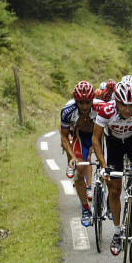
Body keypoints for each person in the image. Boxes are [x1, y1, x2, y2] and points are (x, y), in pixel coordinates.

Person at [91, 81, 132, 255]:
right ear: (116, 102)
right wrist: (104, 166)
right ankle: (117, 232)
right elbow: (96, 140)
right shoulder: (106, 111)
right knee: (114, 190)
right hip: (113, 144)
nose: (128, 110)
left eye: (131, 105)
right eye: (123, 105)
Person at [60, 81, 100, 226]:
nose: (84, 106)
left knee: (111, 171)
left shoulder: (100, 107)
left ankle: (107, 200)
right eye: (81, 102)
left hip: (100, 137)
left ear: (92, 100)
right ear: (76, 100)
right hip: (81, 137)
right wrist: (72, 157)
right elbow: (64, 136)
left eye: (87, 102)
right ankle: (85, 209)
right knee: (78, 172)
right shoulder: (68, 110)